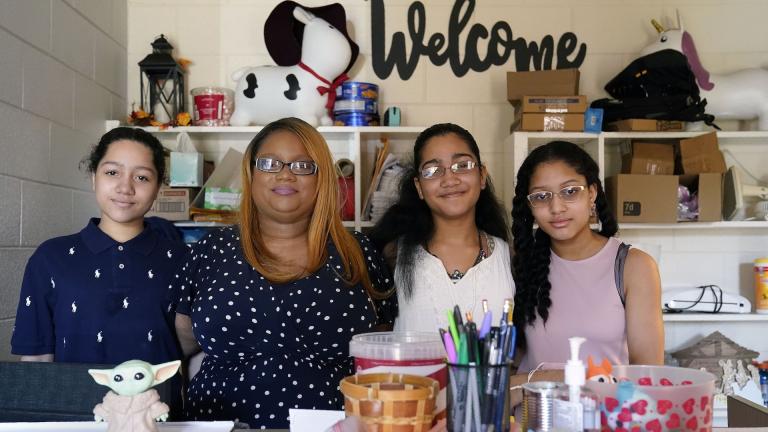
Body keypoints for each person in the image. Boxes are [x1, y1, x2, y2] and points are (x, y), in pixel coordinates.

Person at [173, 117, 395, 428]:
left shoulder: (357, 251)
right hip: (219, 423)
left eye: (303, 165)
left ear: (322, 178)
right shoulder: (213, 249)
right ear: (251, 172)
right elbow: (178, 346)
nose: (286, 174)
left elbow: (380, 353)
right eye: (270, 163)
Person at [11, 127, 187, 364]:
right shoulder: (50, 258)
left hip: (158, 401)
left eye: (142, 177)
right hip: (74, 401)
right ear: (94, 177)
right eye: (112, 172)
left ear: (158, 188)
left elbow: (195, 353)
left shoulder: (183, 260)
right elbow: (37, 358)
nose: (125, 188)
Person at [511, 141, 664, 372]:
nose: (556, 207)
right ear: (530, 205)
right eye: (541, 196)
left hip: (608, 407)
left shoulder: (633, 266)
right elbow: (512, 360)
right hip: (533, 407)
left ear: (592, 193)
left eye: (570, 192)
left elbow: (648, 372)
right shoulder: (522, 264)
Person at [370, 123, 513, 333]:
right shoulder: (392, 255)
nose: (449, 179)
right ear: (419, 187)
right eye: (433, 170)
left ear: (482, 176)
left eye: (462, 165)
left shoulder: (508, 255)